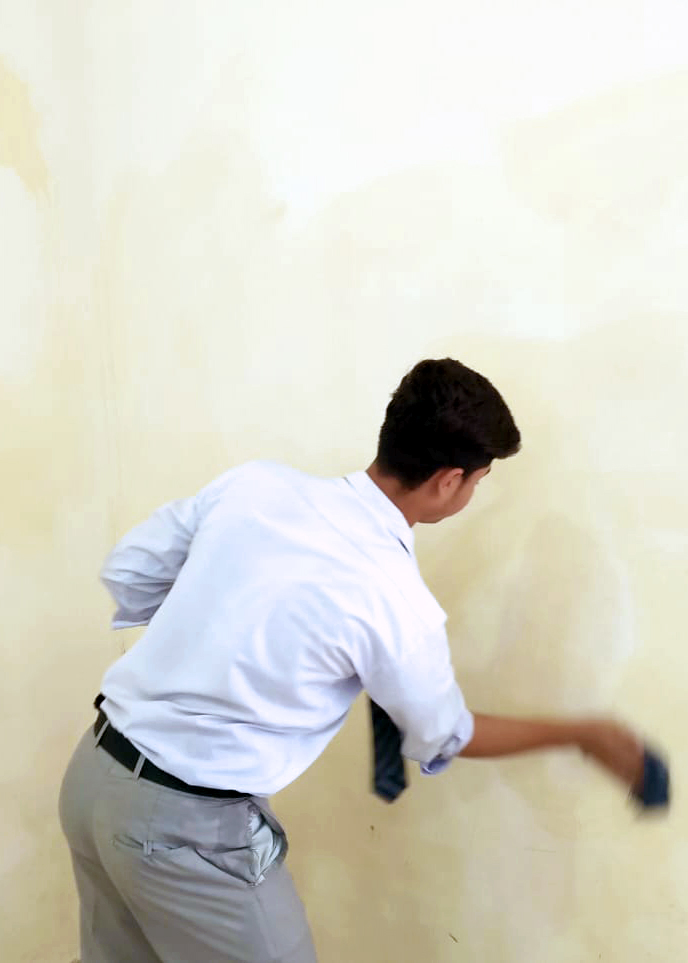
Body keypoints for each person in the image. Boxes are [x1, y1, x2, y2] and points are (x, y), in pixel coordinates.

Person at [59, 358, 645, 963]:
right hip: (185, 829)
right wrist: (579, 734)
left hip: (93, 777)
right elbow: (444, 734)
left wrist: (216, 629)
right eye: (479, 480)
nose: (473, 494)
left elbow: (129, 570)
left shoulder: (256, 485)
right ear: (450, 480)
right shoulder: (393, 599)